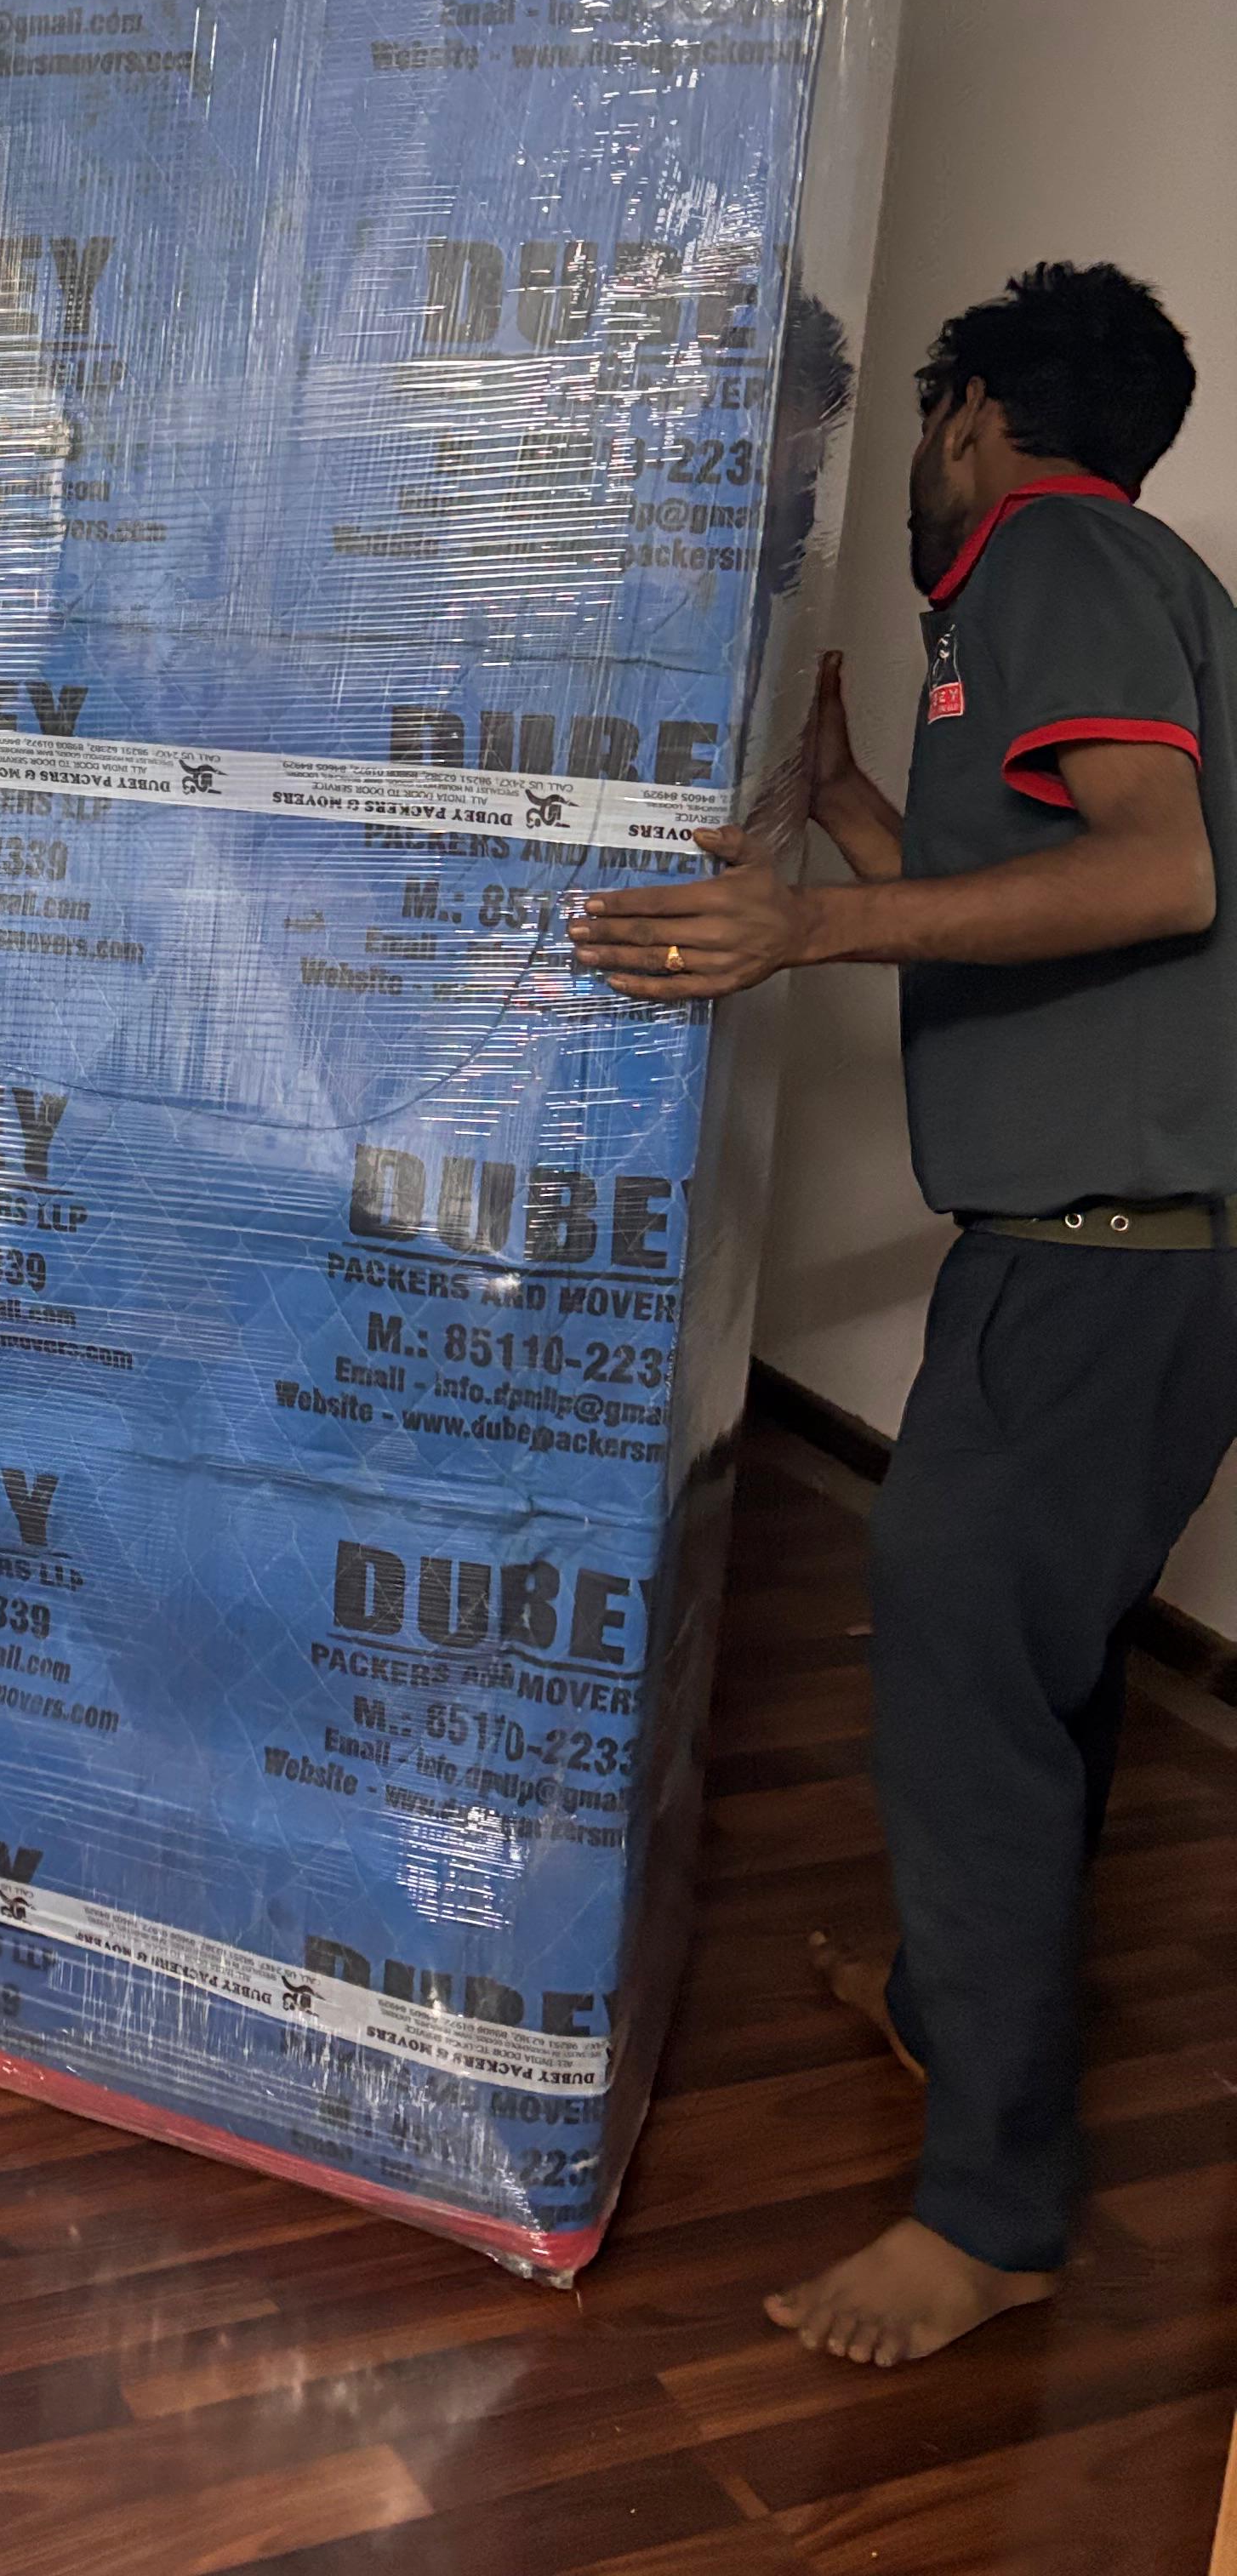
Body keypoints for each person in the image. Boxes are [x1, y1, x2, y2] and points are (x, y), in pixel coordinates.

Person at [570, 261, 1232, 2370]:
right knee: (1036, 1672)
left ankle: (993, 2218)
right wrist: (862, 815)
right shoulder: (1119, 588)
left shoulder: (1057, 558)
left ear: (972, 416)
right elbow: (1052, 909)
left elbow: (1156, 877)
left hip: (1107, 1258)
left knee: (961, 1693)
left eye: (928, 435)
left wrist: (798, 929)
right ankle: (952, 2009)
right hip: (1109, 1252)